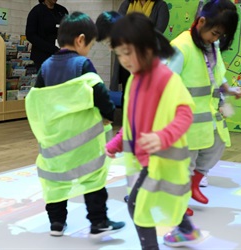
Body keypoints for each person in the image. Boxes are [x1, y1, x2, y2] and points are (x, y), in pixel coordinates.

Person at [105, 12, 202, 249]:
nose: (124, 60)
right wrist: (116, 143)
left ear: (148, 47)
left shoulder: (166, 78)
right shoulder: (135, 80)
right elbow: (132, 121)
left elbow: (185, 113)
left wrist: (162, 136)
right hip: (145, 158)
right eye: (119, 54)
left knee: (138, 206)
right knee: (163, 199)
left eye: (129, 52)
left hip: (162, 158)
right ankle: (187, 230)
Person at [25, 11, 125, 239]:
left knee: (55, 183)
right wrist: (108, 115)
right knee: (93, 181)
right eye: (89, 45)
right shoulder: (82, 64)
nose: (88, 49)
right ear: (80, 40)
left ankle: (57, 224)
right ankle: (99, 222)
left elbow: (36, 101)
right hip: (85, 142)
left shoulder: (46, 66)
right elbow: (99, 93)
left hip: (55, 142)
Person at [166, 0, 241, 216]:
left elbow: (217, 73)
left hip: (208, 114)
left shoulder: (212, 45)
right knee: (184, 162)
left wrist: (228, 89)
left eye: (220, 36)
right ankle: (177, 204)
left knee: (216, 146)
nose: (216, 38)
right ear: (201, 22)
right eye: (215, 33)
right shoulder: (181, 47)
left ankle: (193, 185)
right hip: (185, 119)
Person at [112, 0, 170, 107]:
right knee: (128, 92)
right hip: (128, 57)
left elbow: (158, 31)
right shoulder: (127, 4)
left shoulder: (160, 6)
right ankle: (127, 122)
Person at [25, 0, 68, 71]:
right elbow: (30, 35)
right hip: (42, 57)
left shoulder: (62, 10)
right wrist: (52, 48)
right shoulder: (36, 11)